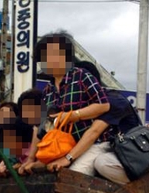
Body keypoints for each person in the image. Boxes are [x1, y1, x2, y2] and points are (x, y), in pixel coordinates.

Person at [32, 33, 111, 176]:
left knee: (74, 176)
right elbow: (43, 128)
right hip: (62, 147)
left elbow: (103, 105)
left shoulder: (82, 76)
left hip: (93, 145)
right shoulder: (47, 90)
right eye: (43, 57)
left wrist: (74, 115)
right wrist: (31, 159)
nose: (47, 61)